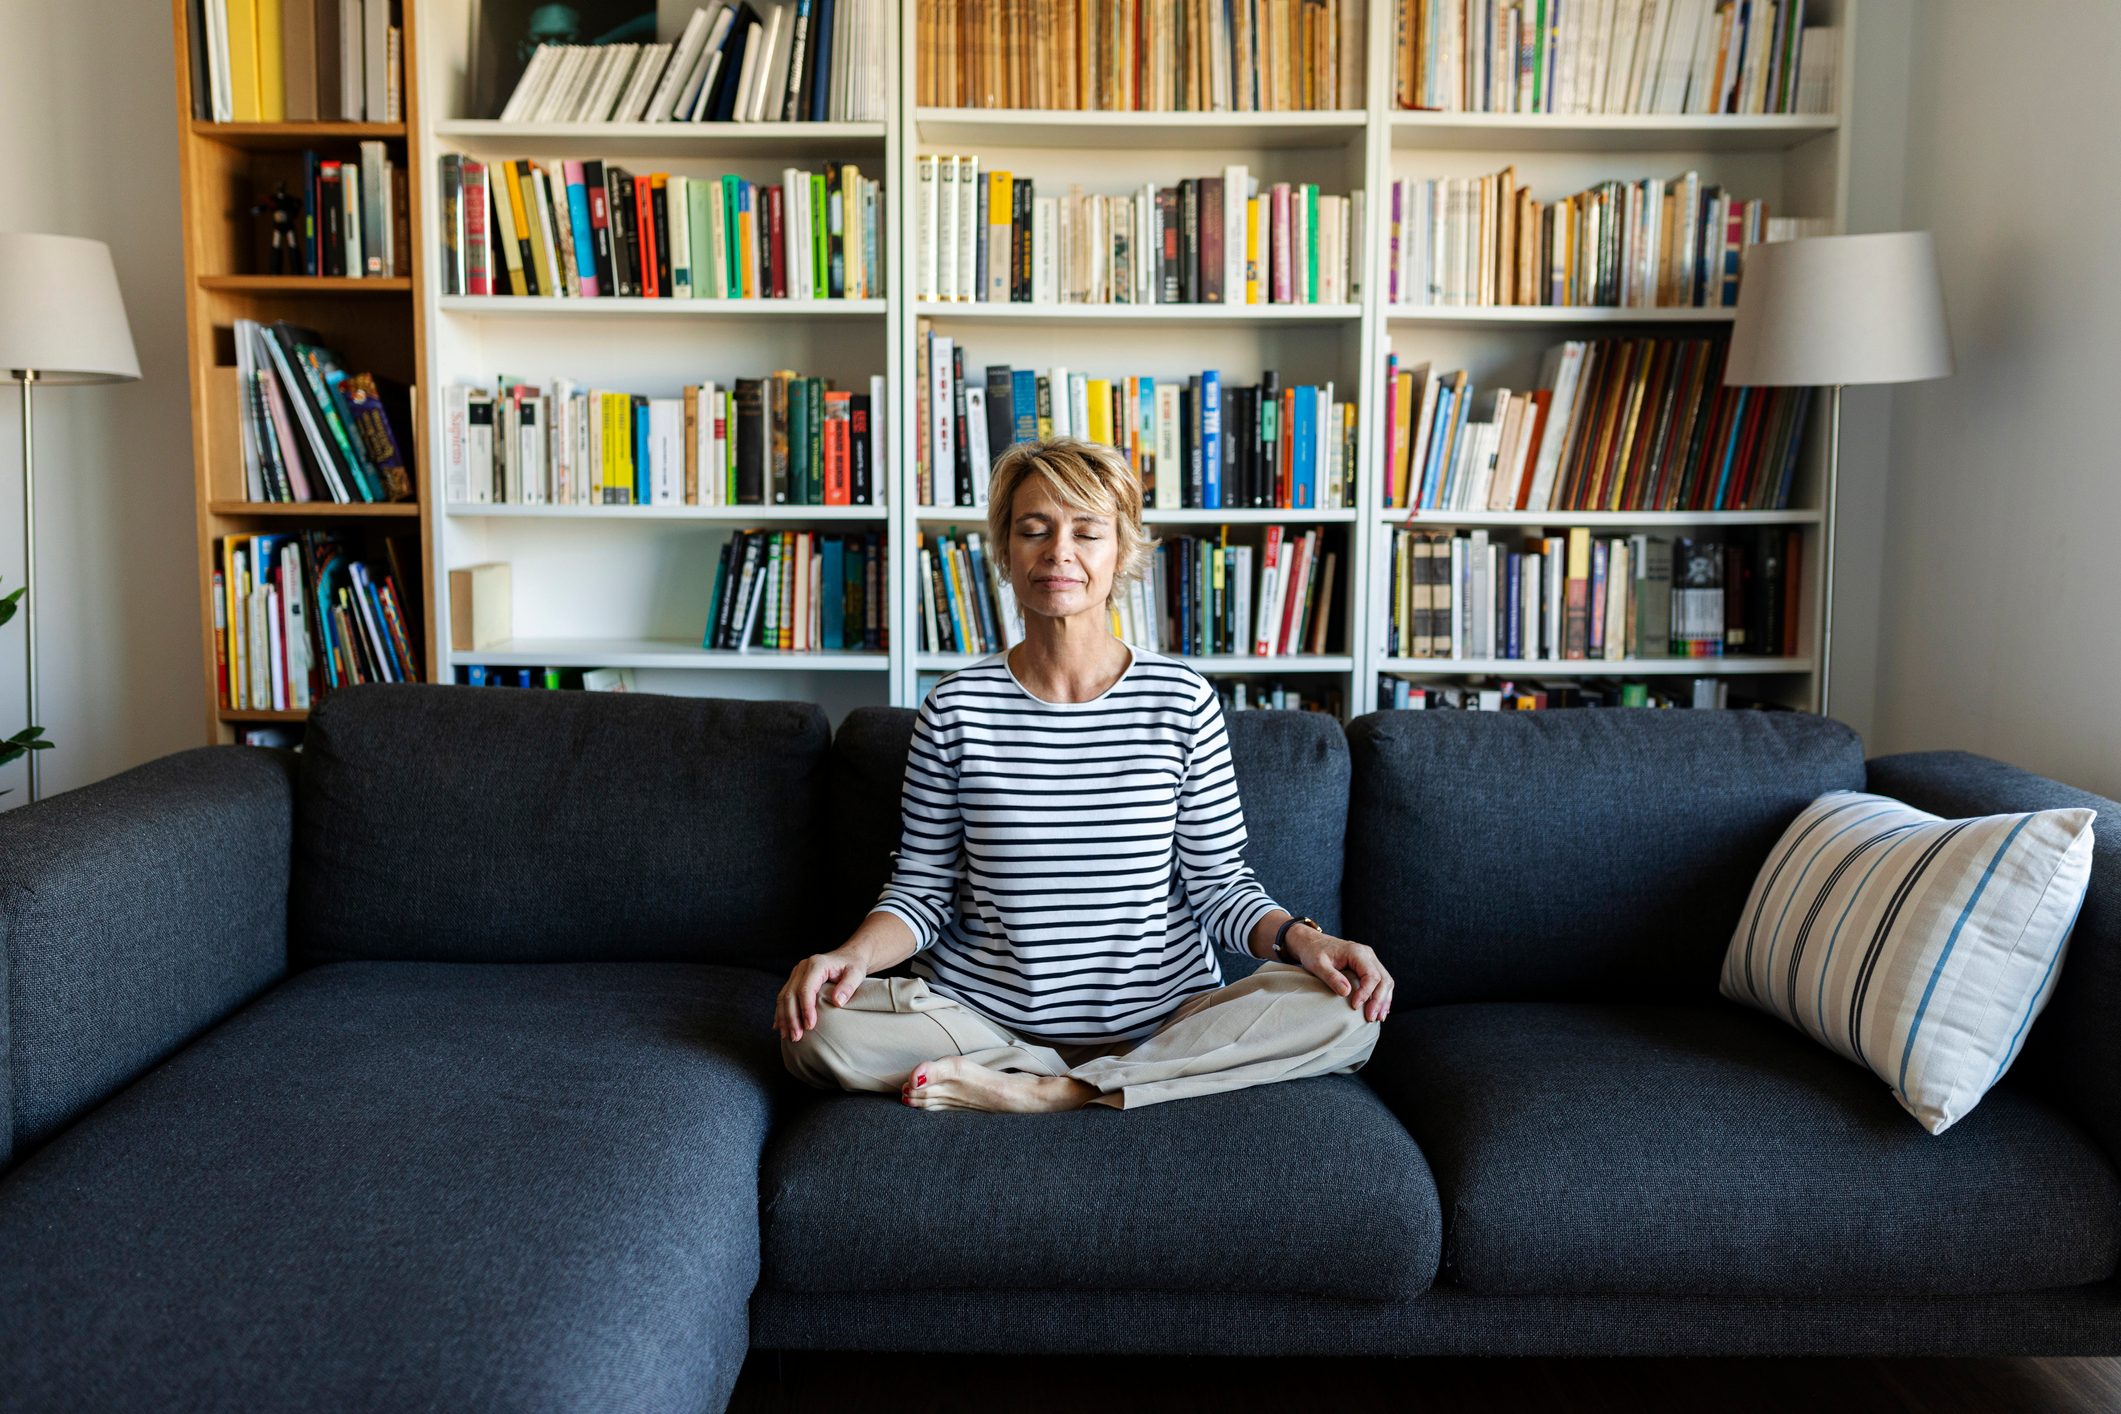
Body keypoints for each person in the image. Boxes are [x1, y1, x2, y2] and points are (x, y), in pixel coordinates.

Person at [774, 435, 1393, 1113]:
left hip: (1163, 1023)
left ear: (1121, 552)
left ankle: (1052, 1092)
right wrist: (852, 956)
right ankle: (1089, 1079)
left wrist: (1306, 940)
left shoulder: (1180, 700)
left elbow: (1219, 887)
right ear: (1005, 553)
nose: (1057, 552)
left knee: (1345, 1014)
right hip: (983, 1023)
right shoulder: (954, 707)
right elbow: (922, 890)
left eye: (1087, 532)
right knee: (817, 1031)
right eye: (1032, 530)